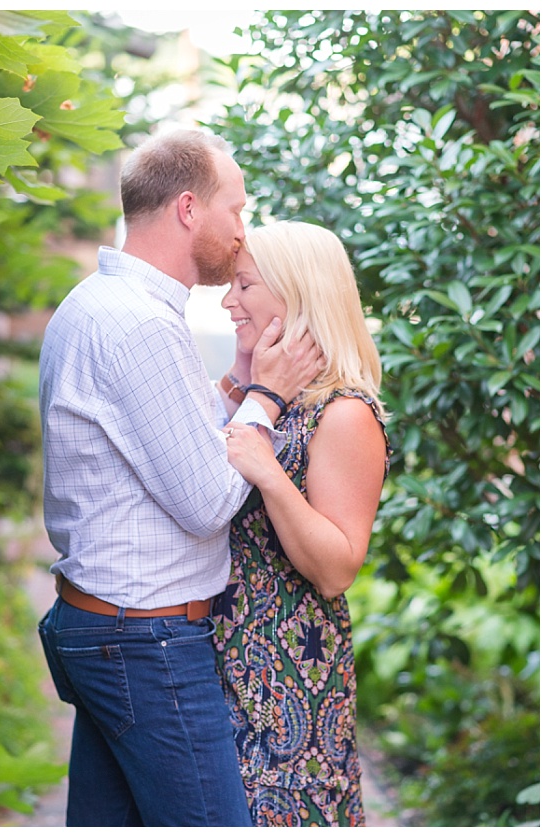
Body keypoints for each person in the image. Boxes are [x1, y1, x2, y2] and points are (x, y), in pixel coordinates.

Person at [34, 128, 325, 826]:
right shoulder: (141, 325)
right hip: (146, 644)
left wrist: (238, 383)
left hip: (109, 628)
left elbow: (164, 443)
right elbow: (208, 500)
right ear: (189, 209)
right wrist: (269, 397)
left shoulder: (97, 303)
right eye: (237, 209)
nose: (242, 230)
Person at [216, 221, 388, 826]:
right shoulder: (273, 397)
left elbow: (338, 568)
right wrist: (245, 376)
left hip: (289, 674)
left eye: (244, 285)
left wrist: (269, 473)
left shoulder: (344, 413)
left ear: (297, 293)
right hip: (223, 662)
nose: (228, 301)